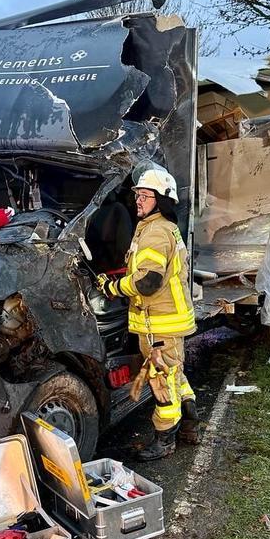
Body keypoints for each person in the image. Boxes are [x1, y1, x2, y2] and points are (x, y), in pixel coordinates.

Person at [96, 167, 200, 460]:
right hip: (167, 322)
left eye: (145, 196)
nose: (138, 201)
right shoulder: (160, 227)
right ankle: (189, 424)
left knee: (161, 381)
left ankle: (164, 441)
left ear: (162, 200)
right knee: (175, 376)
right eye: (138, 195)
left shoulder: (154, 233)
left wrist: (112, 287)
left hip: (159, 326)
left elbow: (147, 282)